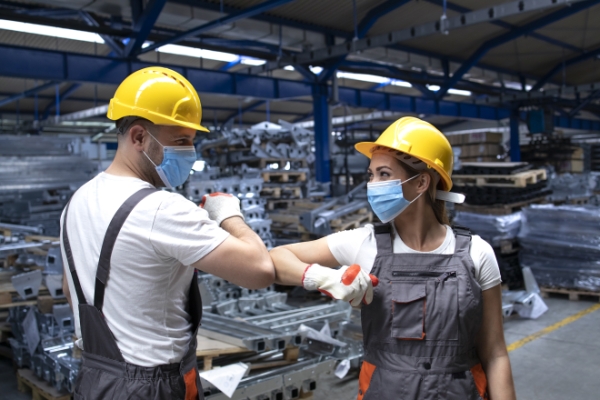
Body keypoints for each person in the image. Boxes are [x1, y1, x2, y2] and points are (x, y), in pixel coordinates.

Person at [59, 66, 275, 400]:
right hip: (153, 386)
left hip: (96, 378)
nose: (190, 153)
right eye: (181, 141)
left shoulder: (76, 201)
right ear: (139, 137)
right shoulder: (162, 209)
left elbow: (71, 289)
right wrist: (228, 215)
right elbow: (260, 271)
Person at [270, 117, 516, 400]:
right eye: (371, 175)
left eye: (384, 174)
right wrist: (324, 276)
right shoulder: (364, 244)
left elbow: (495, 353)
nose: (372, 185)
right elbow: (276, 257)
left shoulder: (476, 253)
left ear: (422, 182)